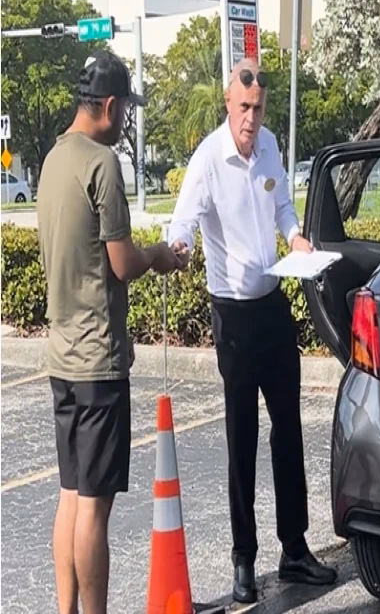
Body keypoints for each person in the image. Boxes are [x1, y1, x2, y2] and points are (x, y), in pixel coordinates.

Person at [168, 58, 337, 604]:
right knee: (241, 436)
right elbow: (183, 222)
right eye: (244, 109)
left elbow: (284, 206)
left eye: (259, 109)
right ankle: (244, 559)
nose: (251, 119)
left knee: (288, 427)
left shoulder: (268, 149)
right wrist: (181, 249)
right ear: (228, 103)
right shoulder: (208, 159)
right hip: (233, 315)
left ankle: (294, 549)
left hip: (271, 305)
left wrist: (295, 238)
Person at [36, 50, 187, 614]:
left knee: (70, 495)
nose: (126, 120)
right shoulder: (101, 164)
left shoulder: (53, 160)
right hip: (98, 360)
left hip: (60, 359)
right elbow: (122, 262)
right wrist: (163, 257)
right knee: (95, 507)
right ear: (107, 105)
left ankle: (67, 610)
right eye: (124, 108)